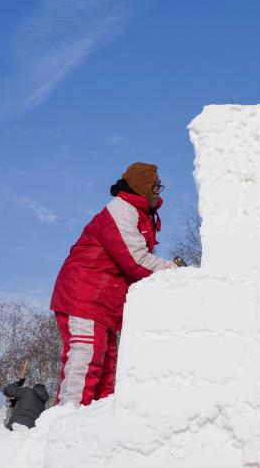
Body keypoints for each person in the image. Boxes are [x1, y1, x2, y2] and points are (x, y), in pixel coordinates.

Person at [50, 162, 181, 406]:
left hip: (105, 306)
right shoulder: (121, 211)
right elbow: (136, 261)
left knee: (107, 371)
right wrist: (174, 271)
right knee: (85, 362)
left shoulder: (140, 215)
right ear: (143, 186)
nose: (158, 192)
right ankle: (67, 422)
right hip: (85, 297)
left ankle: (94, 427)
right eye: (156, 187)